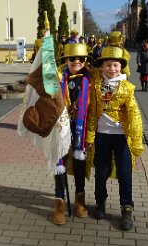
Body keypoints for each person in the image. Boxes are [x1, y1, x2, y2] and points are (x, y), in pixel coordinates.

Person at [86, 46, 144, 231]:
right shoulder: (96, 83)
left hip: (122, 138)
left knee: (125, 174)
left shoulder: (127, 88)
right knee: (101, 172)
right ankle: (100, 203)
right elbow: (93, 112)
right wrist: (90, 135)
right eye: (108, 65)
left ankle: (127, 208)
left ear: (121, 67)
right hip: (102, 136)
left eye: (116, 65)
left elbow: (134, 114)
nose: (112, 69)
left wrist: (136, 141)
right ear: (102, 67)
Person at [53, 43, 93, 225]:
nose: (76, 62)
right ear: (66, 60)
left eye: (80, 59)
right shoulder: (58, 78)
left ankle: (79, 198)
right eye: (72, 59)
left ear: (85, 61)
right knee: (59, 163)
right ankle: (60, 201)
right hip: (61, 126)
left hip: (81, 127)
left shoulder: (91, 79)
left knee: (79, 163)